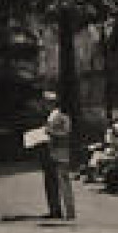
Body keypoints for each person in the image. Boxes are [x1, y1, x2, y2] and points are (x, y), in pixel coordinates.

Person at [38, 91, 76, 220]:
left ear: (53, 103)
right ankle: (54, 210)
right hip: (48, 155)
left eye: (47, 103)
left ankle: (69, 212)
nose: (44, 105)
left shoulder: (63, 117)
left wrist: (50, 132)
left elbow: (66, 133)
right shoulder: (46, 118)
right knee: (50, 184)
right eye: (44, 103)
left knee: (63, 183)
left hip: (60, 154)